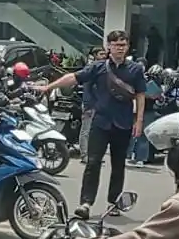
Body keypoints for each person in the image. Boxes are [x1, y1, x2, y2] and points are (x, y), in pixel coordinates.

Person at [37, 31, 146, 215]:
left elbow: (140, 95)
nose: (120, 48)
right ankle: (86, 203)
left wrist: (139, 120)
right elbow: (74, 77)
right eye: (117, 45)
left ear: (128, 47)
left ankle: (114, 203)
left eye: (123, 45)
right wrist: (48, 87)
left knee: (118, 165)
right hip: (101, 122)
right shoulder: (98, 67)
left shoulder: (135, 70)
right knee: (93, 162)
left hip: (124, 122)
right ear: (109, 47)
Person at [128, 65, 163, 166]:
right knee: (141, 134)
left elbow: (159, 98)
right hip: (144, 110)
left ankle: (137, 156)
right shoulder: (147, 82)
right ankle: (138, 157)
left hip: (143, 110)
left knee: (140, 134)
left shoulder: (148, 82)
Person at [79, 47, 107, 162]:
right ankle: (84, 155)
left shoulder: (104, 69)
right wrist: (88, 106)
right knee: (86, 131)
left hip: (100, 106)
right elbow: (87, 89)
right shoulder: (90, 69)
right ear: (95, 55)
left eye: (104, 54)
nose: (104, 56)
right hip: (90, 105)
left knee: (96, 132)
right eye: (101, 54)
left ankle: (94, 155)